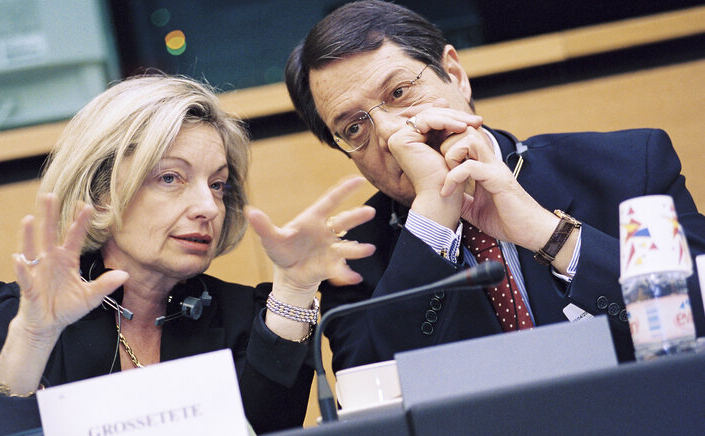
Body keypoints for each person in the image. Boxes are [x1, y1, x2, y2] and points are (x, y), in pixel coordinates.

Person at [0, 74, 375, 436]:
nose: (207, 207)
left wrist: (295, 290)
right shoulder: (25, 313)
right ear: (102, 190)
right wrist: (33, 337)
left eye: (218, 185)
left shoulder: (246, 317)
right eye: (171, 178)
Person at [284, 0, 705, 372]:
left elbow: (696, 310)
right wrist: (434, 214)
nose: (392, 134)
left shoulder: (630, 166)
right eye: (355, 126)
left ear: (454, 74)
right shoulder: (353, 262)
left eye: (399, 92)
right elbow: (375, 402)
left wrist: (549, 236)